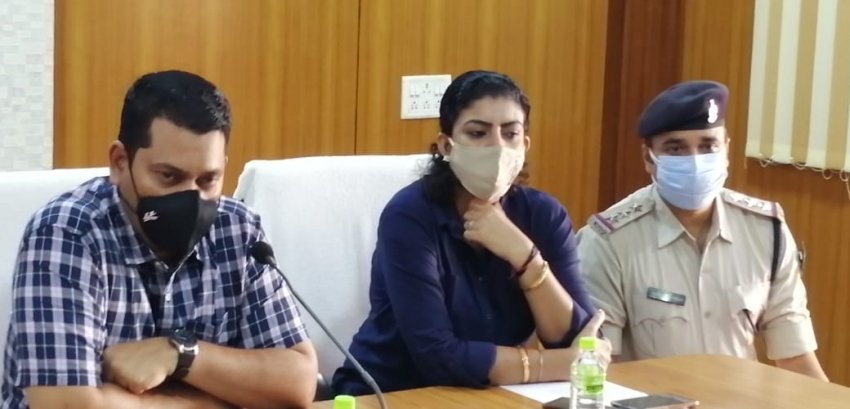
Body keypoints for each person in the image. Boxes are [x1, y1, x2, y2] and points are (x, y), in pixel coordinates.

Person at [1, 70, 318, 409]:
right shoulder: (65, 233)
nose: (192, 198)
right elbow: (67, 405)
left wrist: (182, 354)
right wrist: (225, 400)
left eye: (208, 180)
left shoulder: (238, 230)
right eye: (169, 176)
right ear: (120, 162)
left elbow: (298, 383)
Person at [332, 70, 610, 396]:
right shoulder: (408, 216)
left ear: (525, 144)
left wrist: (526, 257)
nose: (497, 146)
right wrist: (554, 365)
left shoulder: (543, 214)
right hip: (393, 392)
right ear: (446, 145)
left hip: (493, 394)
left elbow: (582, 340)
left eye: (510, 134)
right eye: (478, 133)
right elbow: (437, 356)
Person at [576, 80, 828, 381]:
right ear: (648, 158)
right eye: (676, 148)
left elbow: (796, 358)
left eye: (708, 146)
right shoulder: (607, 242)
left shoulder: (766, 231)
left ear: (726, 149)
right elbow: (602, 366)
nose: (695, 161)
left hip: (739, 400)